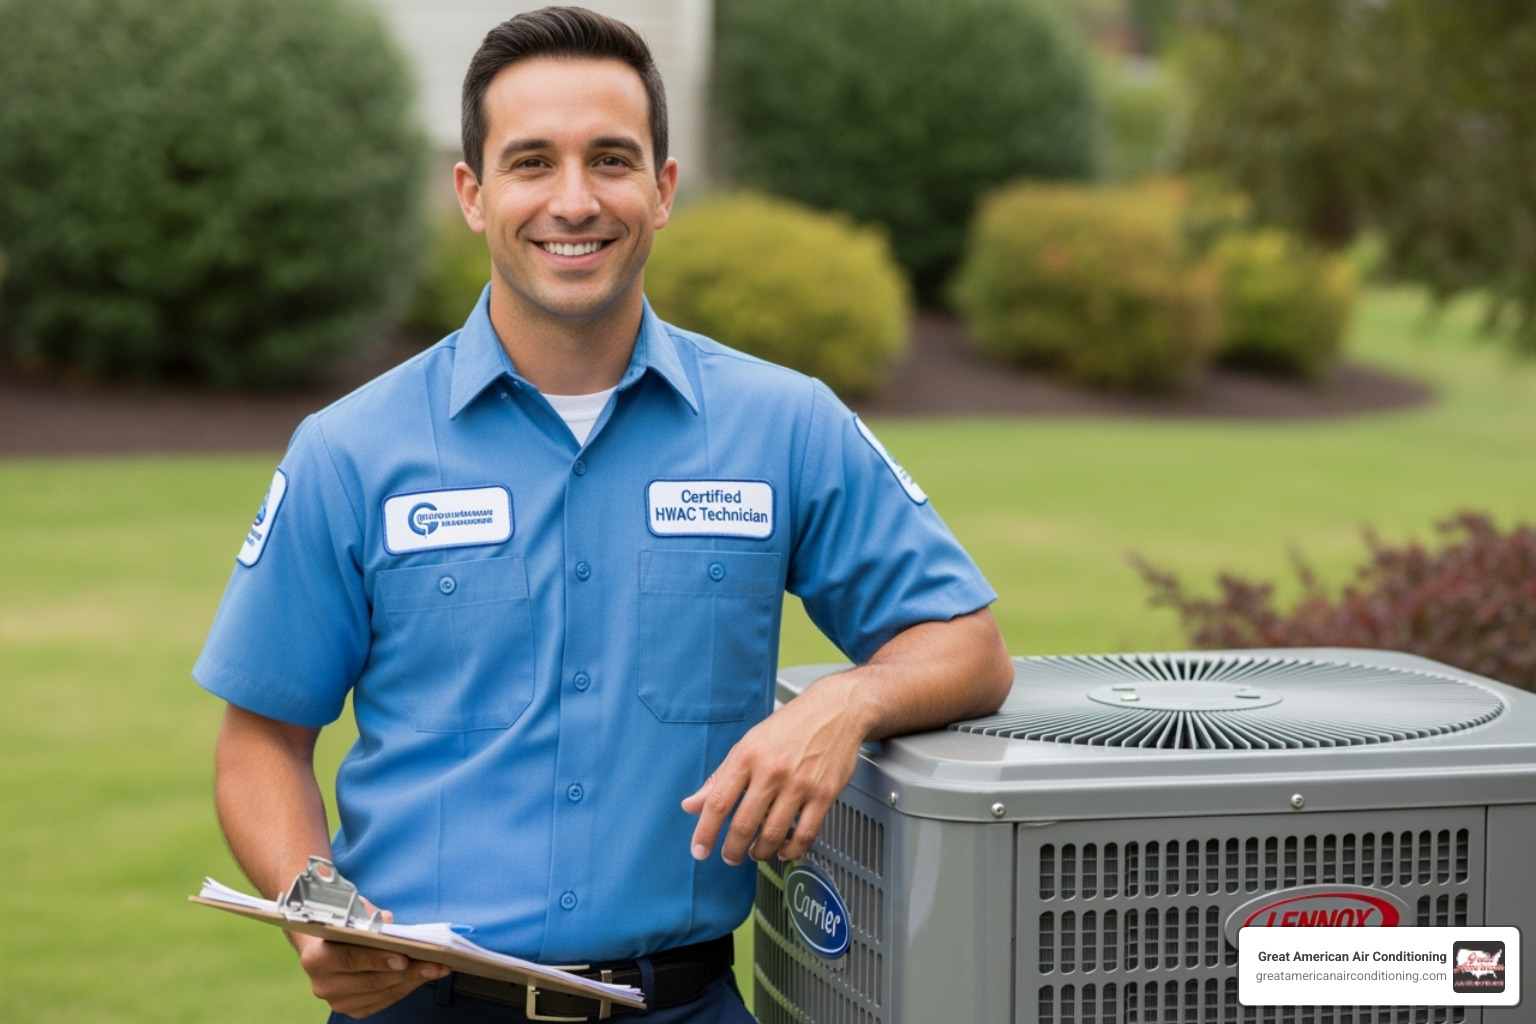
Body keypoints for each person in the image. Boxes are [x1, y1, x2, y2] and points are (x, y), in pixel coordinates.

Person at [195, 6, 1013, 1021]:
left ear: (663, 189)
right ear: (473, 192)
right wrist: (312, 904)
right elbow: (261, 740)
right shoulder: (350, 449)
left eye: (611, 160)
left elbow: (967, 643)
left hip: (683, 1001)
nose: (573, 201)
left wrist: (840, 704)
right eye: (531, 162)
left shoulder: (785, 424)